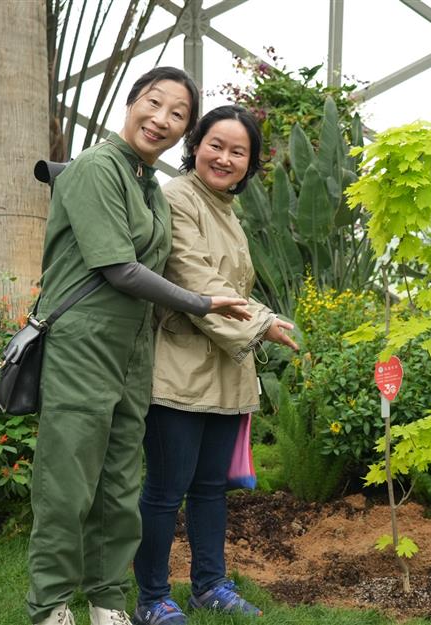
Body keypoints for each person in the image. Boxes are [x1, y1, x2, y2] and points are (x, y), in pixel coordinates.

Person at [27, 67, 253, 625]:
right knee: (68, 478)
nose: (163, 119)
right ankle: (50, 603)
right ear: (132, 103)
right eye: (154, 103)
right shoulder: (97, 168)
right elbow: (118, 268)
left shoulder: (146, 182)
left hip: (132, 349)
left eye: (178, 114)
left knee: (121, 482)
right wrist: (199, 303)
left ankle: (107, 599)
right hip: (83, 340)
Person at [130, 105, 299, 625]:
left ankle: (209, 586)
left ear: (249, 165)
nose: (224, 158)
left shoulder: (225, 207)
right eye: (216, 145)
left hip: (223, 371)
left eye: (238, 152)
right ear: (196, 145)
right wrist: (262, 324)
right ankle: (152, 598)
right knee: (165, 489)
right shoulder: (177, 197)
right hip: (179, 369)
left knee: (208, 488)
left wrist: (263, 321)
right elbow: (194, 277)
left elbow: (232, 287)